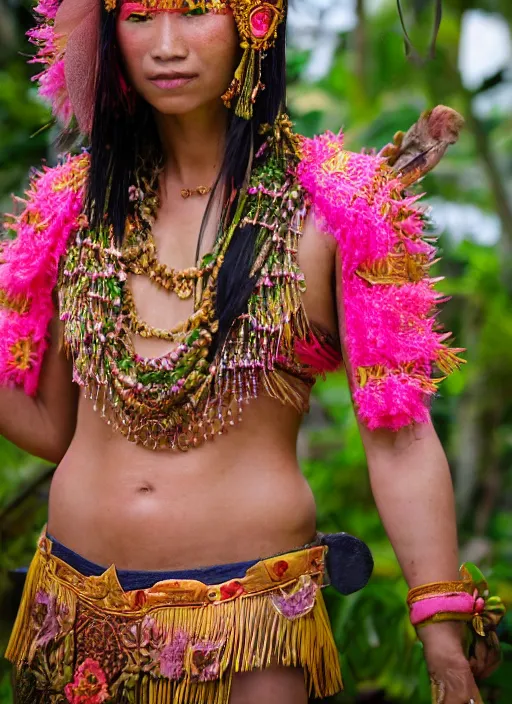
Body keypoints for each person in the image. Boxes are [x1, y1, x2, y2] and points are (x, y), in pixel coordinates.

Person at [0, 1, 505, 702]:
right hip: (71, 614)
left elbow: (399, 436)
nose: (166, 46)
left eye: (197, 11)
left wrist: (440, 625)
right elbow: (54, 429)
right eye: (141, 16)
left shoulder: (340, 208)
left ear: (255, 20)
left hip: (248, 623)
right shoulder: (68, 207)